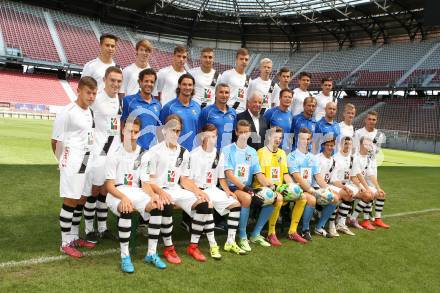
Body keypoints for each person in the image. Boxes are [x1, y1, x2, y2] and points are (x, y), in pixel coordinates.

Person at [148, 114, 220, 262]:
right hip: (159, 190)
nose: (175, 134)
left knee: (204, 203)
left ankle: (193, 246)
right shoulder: (154, 151)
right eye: (172, 130)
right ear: (164, 131)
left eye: (178, 131)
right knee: (166, 204)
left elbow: (185, 180)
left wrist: (198, 191)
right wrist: (161, 192)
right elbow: (149, 181)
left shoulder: (184, 152)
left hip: (177, 190)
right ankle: (169, 248)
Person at [105, 118, 168, 272]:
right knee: (127, 208)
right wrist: (123, 198)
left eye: (135, 132)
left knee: (157, 206)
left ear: (139, 133)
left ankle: (151, 254)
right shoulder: (113, 154)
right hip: (117, 193)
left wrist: (154, 195)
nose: (132, 135)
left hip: (136, 191)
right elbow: (109, 185)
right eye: (129, 131)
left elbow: (145, 183)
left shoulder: (143, 154)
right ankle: (125, 256)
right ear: (122, 131)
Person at [51, 76, 98, 258]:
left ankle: (73, 236)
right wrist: (63, 162)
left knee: (82, 198)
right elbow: (55, 141)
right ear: (79, 90)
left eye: (94, 93)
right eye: (88, 92)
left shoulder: (89, 111)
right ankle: (64, 243)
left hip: (87, 159)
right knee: (70, 200)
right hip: (72, 160)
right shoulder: (68, 112)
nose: (91, 96)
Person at [82, 66, 123, 243]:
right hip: (98, 152)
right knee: (94, 190)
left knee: (106, 190)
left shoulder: (118, 99)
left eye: (119, 81)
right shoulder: (97, 99)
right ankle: (90, 229)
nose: (116, 84)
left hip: (113, 151)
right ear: (105, 80)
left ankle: (103, 227)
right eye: (112, 80)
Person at [190, 124, 245, 255]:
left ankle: (230, 242)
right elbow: (189, 181)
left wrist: (227, 191)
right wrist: (198, 192)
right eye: (209, 136)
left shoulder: (219, 154)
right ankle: (213, 245)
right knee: (208, 204)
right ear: (202, 137)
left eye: (214, 136)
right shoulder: (193, 155)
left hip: (213, 189)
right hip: (196, 190)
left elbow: (221, 178)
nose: (212, 139)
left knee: (235, 203)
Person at [222, 120, 276, 252]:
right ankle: (242, 236)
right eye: (240, 132)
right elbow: (229, 174)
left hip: (248, 187)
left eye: (246, 132)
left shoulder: (252, 151)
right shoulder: (227, 150)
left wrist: (268, 184)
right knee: (247, 198)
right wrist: (245, 188)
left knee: (274, 197)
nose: (243, 135)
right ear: (236, 132)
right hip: (232, 187)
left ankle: (255, 234)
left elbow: (259, 174)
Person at [255, 127, 308, 245]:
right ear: (269, 137)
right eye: (275, 137)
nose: (278, 140)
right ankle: (271, 233)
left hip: (279, 187)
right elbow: (261, 177)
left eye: (280, 138)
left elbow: (285, 174)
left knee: (302, 196)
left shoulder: (282, 153)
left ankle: (292, 231)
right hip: (264, 187)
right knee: (278, 198)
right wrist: (274, 187)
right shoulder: (261, 153)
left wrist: (293, 186)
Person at [287, 128, 340, 241]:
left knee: (334, 198)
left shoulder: (312, 157)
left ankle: (319, 227)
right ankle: (305, 229)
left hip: (311, 188)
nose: (305, 141)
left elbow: (318, 177)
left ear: (310, 140)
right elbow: (297, 177)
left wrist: (327, 188)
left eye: (307, 139)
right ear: (298, 139)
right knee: (312, 199)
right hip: (298, 189)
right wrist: (311, 190)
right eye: (302, 138)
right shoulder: (292, 156)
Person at [330, 136, 373, 236]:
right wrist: (344, 187)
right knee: (348, 194)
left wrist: (362, 188)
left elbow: (354, 176)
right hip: (336, 185)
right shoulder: (335, 158)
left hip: (349, 184)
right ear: (341, 145)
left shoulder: (352, 158)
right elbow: (333, 179)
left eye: (349, 144)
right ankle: (340, 223)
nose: (347, 146)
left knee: (368, 195)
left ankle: (352, 218)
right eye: (345, 143)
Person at [348, 137, 390, 230]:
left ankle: (377, 219)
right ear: (360, 145)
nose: (368, 146)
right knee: (369, 194)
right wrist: (367, 188)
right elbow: (358, 175)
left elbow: (371, 175)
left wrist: (378, 188)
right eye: (366, 144)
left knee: (381, 194)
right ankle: (358, 219)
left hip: (361, 184)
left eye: (369, 145)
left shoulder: (368, 159)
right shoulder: (356, 157)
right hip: (352, 184)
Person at [313, 138, 351, 237]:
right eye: (328, 145)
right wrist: (328, 188)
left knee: (348, 194)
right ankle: (329, 224)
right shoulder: (317, 158)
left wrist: (344, 187)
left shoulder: (334, 161)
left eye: (331, 145)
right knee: (335, 197)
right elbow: (316, 177)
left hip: (327, 186)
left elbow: (334, 180)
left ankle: (340, 223)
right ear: (323, 146)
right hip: (316, 187)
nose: (330, 147)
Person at [121, 68, 162, 150]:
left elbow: (158, 129)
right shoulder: (128, 101)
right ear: (139, 82)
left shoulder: (158, 104)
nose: (149, 84)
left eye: (152, 82)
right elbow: (122, 125)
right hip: (133, 150)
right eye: (146, 81)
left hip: (151, 150)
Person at [160, 74, 201, 151]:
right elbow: (160, 131)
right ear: (179, 85)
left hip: (193, 151)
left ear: (193, 87)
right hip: (173, 151)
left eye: (190, 85)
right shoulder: (169, 107)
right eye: (184, 84)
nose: (187, 87)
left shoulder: (197, 107)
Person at [198, 83, 236, 149]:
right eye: (221, 92)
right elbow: (199, 133)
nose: (224, 95)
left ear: (229, 95)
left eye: (226, 92)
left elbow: (233, 133)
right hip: (210, 152)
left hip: (227, 152)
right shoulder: (206, 111)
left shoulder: (233, 112)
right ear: (215, 94)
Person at [218, 48, 250, 113]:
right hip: (227, 112)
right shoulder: (227, 74)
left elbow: (247, 100)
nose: (244, 61)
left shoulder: (249, 79)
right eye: (241, 59)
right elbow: (219, 94)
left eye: (246, 59)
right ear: (236, 60)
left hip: (242, 114)